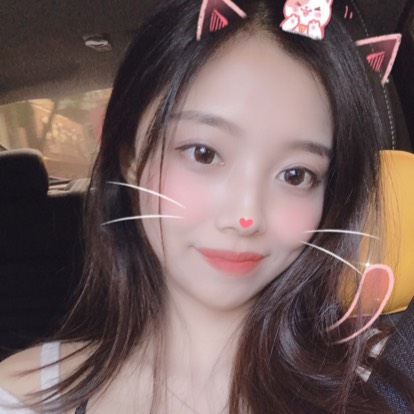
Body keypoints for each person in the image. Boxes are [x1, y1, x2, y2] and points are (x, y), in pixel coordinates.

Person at [0, 0, 413, 412]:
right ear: (130, 159)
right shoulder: (23, 397)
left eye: (296, 175)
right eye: (204, 153)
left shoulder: (382, 382)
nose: (246, 217)